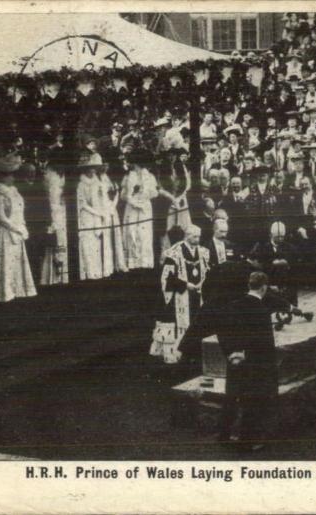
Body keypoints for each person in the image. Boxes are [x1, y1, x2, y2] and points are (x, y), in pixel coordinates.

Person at [219, 272, 279, 450]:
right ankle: (246, 442)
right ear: (264, 288)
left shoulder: (233, 305)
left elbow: (222, 332)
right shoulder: (262, 311)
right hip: (254, 364)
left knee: (231, 398)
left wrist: (231, 353)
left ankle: (224, 435)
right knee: (252, 402)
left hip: (234, 361)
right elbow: (265, 343)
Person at [0, 155, 37, 303]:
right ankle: (3, 292)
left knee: (15, 261)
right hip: (5, 232)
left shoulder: (14, 191)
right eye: (10, 176)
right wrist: (17, 229)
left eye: (12, 175)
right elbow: (1, 217)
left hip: (17, 230)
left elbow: (20, 211)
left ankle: (16, 289)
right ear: (3, 177)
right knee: (4, 260)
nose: (12, 178)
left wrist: (23, 226)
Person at [150, 224, 209, 364]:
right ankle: (178, 353)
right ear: (187, 236)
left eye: (199, 236)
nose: (198, 239)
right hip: (179, 296)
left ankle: (194, 353)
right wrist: (186, 285)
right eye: (195, 236)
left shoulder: (203, 252)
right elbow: (167, 278)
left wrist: (202, 282)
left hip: (197, 295)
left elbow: (207, 270)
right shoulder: (174, 252)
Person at [121, 148, 160, 270]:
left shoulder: (149, 176)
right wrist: (132, 196)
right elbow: (123, 196)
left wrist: (144, 195)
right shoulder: (128, 176)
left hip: (145, 207)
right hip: (132, 207)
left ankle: (144, 262)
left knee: (144, 234)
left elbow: (155, 193)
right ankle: (133, 263)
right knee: (132, 232)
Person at [39, 153, 68, 285]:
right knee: (55, 240)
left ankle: (61, 275)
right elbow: (53, 198)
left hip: (61, 210)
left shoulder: (61, 175)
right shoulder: (52, 176)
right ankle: (51, 277)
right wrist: (54, 218)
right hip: (55, 211)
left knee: (61, 241)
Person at [76, 152, 106, 280]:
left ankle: (96, 271)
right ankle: (88, 272)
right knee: (87, 242)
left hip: (97, 215)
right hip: (86, 215)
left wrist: (101, 212)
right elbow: (82, 203)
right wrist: (96, 212)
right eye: (90, 168)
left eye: (94, 168)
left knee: (96, 241)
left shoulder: (97, 182)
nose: (93, 170)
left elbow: (101, 198)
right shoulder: (81, 184)